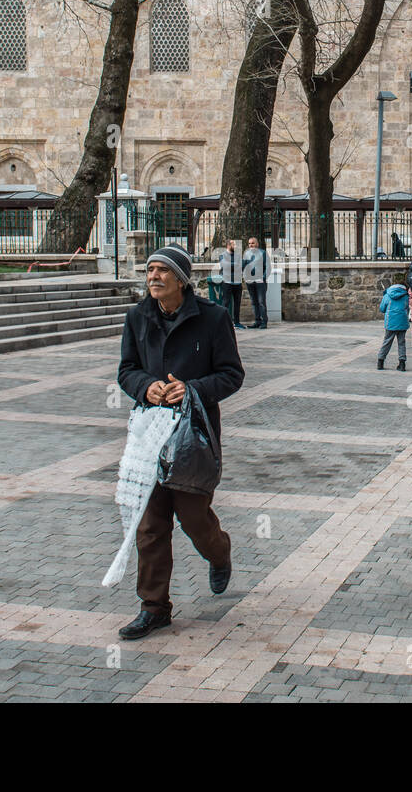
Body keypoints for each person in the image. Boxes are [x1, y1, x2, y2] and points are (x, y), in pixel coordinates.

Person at [116, 245, 244, 640]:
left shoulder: (213, 318)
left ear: (181, 279)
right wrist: (146, 387)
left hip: (192, 437)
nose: (153, 277)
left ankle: (219, 552)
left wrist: (191, 390)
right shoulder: (137, 316)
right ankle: (154, 607)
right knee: (151, 526)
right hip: (149, 435)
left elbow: (231, 374)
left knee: (193, 518)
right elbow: (126, 370)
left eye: (161, 271)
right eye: (150, 270)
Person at [377, 279, 410, 371]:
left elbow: (382, 308)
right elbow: (407, 308)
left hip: (390, 322)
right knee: (401, 343)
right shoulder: (405, 296)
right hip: (402, 322)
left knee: (387, 342)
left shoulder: (387, 295)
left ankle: (380, 361)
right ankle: (402, 363)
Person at [243, 236, 270, 329]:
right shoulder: (246, 253)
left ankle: (264, 322)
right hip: (250, 281)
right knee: (254, 302)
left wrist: (263, 278)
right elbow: (243, 266)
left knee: (261, 302)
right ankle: (257, 321)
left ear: (257, 244)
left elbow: (268, 267)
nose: (251, 245)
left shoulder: (263, 253)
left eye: (253, 243)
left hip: (260, 281)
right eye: (249, 243)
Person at [219, 240, 244, 328]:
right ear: (228, 245)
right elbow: (225, 266)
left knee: (237, 303)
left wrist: (232, 265)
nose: (236, 246)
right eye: (234, 245)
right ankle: (223, 323)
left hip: (237, 282)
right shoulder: (222, 255)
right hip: (227, 282)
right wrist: (234, 265)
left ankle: (237, 322)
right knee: (225, 302)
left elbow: (241, 265)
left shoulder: (238, 255)